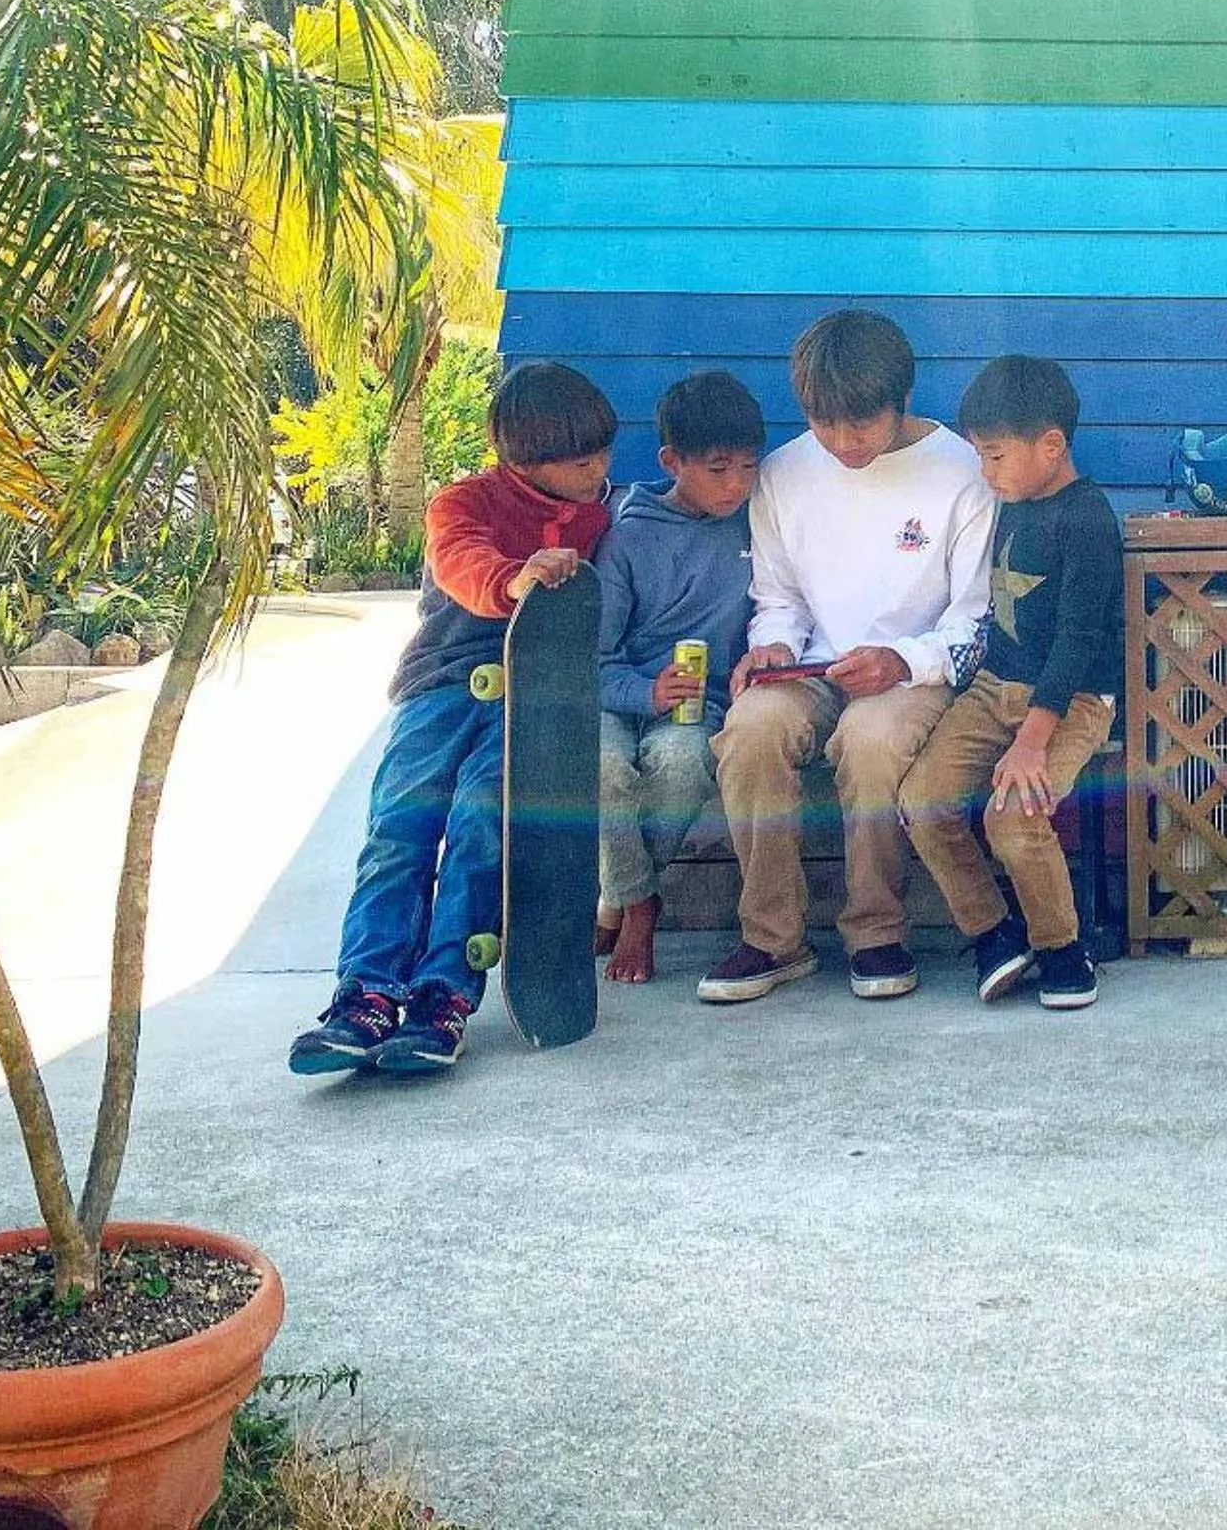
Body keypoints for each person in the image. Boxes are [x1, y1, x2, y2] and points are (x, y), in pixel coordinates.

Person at [288, 360, 615, 1077]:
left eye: (602, 454)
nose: (597, 470)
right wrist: (515, 579)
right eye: (581, 461)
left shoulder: (603, 513)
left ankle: (442, 999)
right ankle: (364, 994)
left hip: (527, 699)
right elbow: (462, 562)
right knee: (399, 831)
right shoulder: (461, 504)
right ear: (521, 460)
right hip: (439, 688)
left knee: (478, 825)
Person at [701, 310, 991, 1004]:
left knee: (871, 738)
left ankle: (876, 932)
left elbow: (973, 618)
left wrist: (900, 661)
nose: (841, 441)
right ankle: (772, 940)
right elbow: (778, 595)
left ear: (903, 401)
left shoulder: (961, 472)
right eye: (823, 424)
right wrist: (772, 642)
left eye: (860, 424)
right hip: (811, 667)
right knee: (750, 730)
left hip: (913, 672)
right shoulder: (784, 473)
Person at [899, 354, 1123, 1010]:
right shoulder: (1011, 500)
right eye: (979, 457)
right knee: (923, 800)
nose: (985, 472)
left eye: (995, 456)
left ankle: (1061, 948)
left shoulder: (1085, 521)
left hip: (1071, 700)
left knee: (1014, 817)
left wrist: (1031, 739)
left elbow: (1079, 641)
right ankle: (997, 935)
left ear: (1050, 446)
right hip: (994, 686)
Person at [593, 370, 764, 986]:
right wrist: (644, 691)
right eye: (719, 469)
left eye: (749, 467)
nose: (737, 484)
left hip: (703, 704)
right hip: (615, 697)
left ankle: (626, 896)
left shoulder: (756, 526)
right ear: (673, 461)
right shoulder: (627, 536)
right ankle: (638, 902)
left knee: (682, 760)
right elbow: (594, 657)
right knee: (603, 766)